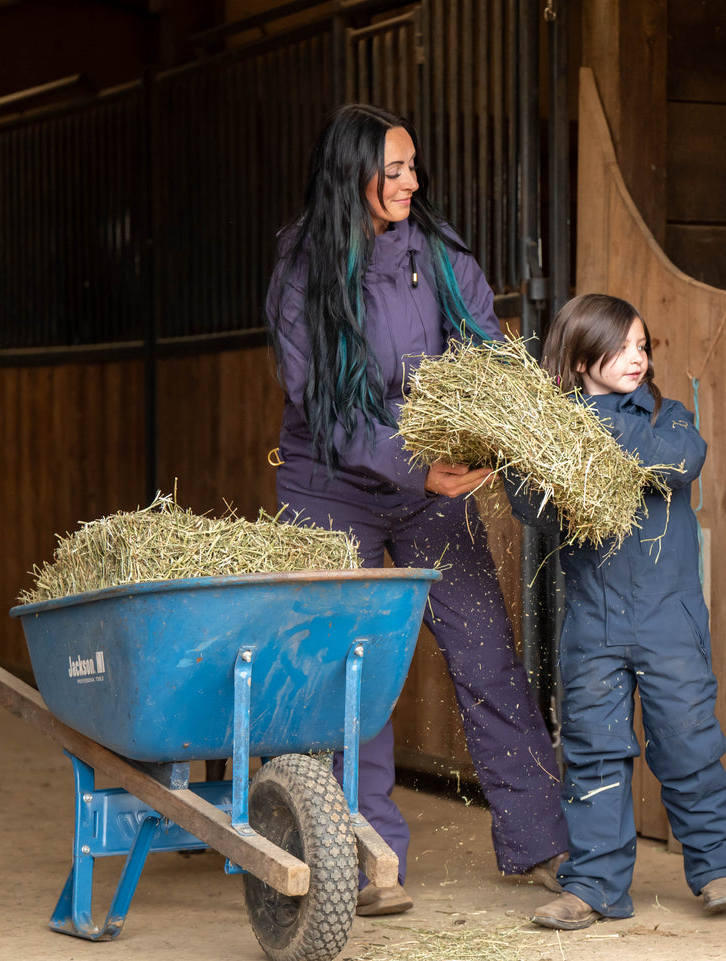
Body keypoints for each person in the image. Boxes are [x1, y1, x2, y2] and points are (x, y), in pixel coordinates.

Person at [264, 103, 567, 916]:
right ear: (350, 176)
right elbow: (324, 407)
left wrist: (497, 429)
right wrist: (413, 466)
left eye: (411, 166)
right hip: (333, 488)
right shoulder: (303, 270)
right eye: (392, 170)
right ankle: (368, 858)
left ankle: (542, 842)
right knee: (350, 670)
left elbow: (481, 352)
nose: (410, 182)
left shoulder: (435, 253)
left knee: (484, 651)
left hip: (430, 489)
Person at [506, 293, 726, 930]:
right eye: (618, 348)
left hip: (669, 619)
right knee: (593, 751)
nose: (635, 357)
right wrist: (527, 449)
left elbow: (680, 462)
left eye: (641, 346)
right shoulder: (552, 432)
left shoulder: (667, 417)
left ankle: (718, 866)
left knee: (687, 740)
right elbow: (532, 510)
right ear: (579, 357)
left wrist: (593, 427)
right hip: (594, 621)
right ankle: (594, 887)